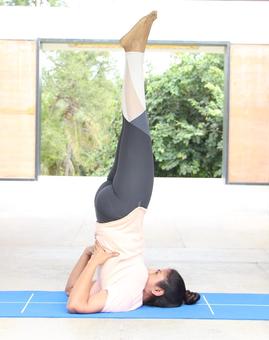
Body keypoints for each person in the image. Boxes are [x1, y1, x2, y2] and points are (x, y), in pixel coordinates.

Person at [65, 11, 200, 314]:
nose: (151, 269)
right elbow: (72, 288)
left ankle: (135, 50)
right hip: (112, 211)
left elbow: (76, 303)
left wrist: (96, 261)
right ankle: (133, 50)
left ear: (156, 289)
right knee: (132, 127)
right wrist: (87, 258)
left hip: (126, 207)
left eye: (157, 273)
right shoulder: (129, 283)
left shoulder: (128, 295)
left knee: (139, 126)